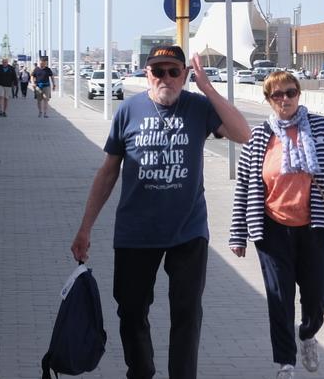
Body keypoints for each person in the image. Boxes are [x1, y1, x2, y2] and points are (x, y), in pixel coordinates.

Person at [70, 45, 251, 379]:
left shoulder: (198, 108)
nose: (165, 78)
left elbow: (244, 134)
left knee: (186, 313)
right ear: (146, 74)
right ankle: (141, 370)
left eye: (173, 71)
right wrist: (85, 227)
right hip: (136, 232)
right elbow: (108, 171)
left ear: (184, 75)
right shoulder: (129, 111)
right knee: (131, 310)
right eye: (158, 71)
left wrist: (208, 88)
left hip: (188, 232)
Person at [230, 71, 324, 379]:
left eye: (291, 92)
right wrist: (238, 234)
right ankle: (285, 364)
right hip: (272, 228)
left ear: (299, 94)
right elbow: (244, 188)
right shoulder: (258, 138)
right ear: (268, 100)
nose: (286, 99)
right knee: (279, 298)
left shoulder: (321, 128)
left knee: (316, 295)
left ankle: (307, 333)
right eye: (278, 95)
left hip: (315, 228)